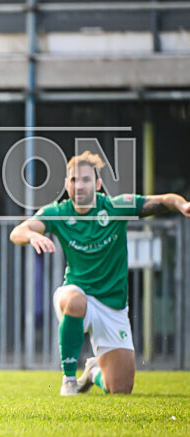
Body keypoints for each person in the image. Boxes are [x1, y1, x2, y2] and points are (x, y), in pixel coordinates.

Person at [10, 151, 190, 395]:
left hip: (112, 305)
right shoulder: (59, 212)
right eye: (73, 180)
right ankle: (69, 379)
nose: (79, 185)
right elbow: (17, 232)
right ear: (66, 185)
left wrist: (182, 204)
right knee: (74, 299)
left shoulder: (116, 206)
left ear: (97, 184)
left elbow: (163, 200)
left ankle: (92, 373)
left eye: (85, 180)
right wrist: (32, 235)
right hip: (76, 294)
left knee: (120, 389)